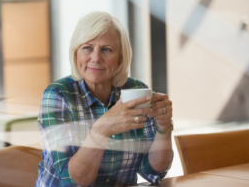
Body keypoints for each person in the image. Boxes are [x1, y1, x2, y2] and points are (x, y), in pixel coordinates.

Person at [35, 11, 173, 187]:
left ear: (120, 58)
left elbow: (153, 171)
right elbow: (73, 182)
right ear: (76, 53)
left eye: (106, 49)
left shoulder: (136, 91)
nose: (96, 58)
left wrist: (164, 127)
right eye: (87, 48)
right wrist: (101, 130)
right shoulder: (57, 96)